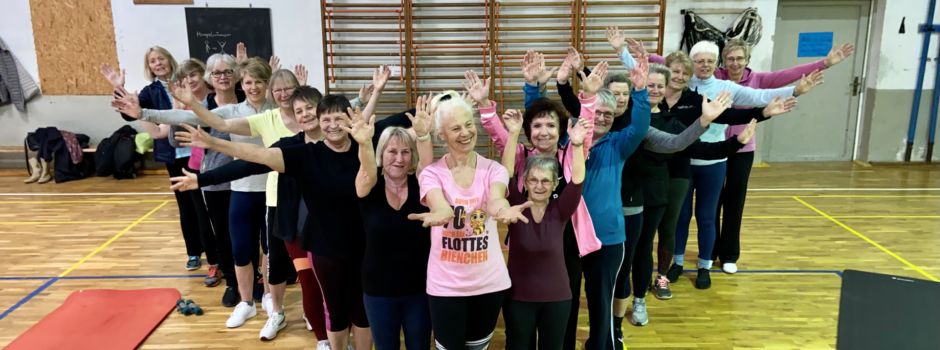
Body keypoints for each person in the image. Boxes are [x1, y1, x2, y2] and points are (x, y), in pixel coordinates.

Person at [713, 39, 852, 274]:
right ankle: (709, 251)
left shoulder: (759, 80)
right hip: (715, 149)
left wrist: (826, 63)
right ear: (723, 61)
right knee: (712, 202)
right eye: (730, 59)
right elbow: (678, 65)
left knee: (734, 201)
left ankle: (729, 255)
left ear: (747, 60)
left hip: (742, 150)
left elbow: (791, 74)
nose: (735, 63)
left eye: (739, 58)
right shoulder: (715, 77)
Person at [407, 92, 530, 350]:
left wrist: (502, 209)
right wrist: (441, 212)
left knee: (478, 347)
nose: (465, 133)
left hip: (489, 283)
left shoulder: (493, 169)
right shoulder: (432, 173)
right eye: (455, 128)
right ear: (442, 136)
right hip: (445, 286)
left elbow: (496, 199)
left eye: (468, 124)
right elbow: (439, 203)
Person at [100, 46, 211, 272]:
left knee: (203, 205)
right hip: (174, 154)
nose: (158, 63)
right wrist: (118, 87)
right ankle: (193, 251)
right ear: (149, 67)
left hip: (198, 151)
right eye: (152, 61)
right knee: (185, 205)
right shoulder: (150, 91)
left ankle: (213, 253)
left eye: (161, 58)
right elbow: (131, 111)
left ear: (169, 60)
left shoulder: (185, 81)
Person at [499, 104, 589, 350]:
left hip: (557, 299)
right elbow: (505, 173)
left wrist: (577, 145)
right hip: (518, 298)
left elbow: (577, 180)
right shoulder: (515, 206)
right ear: (525, 182)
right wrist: (513, 133)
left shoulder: (561, 210)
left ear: (554, 184)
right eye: (533, 180)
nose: (539, 186)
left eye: (546, 181)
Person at [353, 95, 434, 350]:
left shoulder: (421, 183)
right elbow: (366, 168)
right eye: (392, 151)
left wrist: (423, 136)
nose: (399, 158)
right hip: (378, 290)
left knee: (419, 346)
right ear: (381, 153)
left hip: (419, 288)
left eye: (405, 152)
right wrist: (364, 142)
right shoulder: (369, 185)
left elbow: (427, 164)